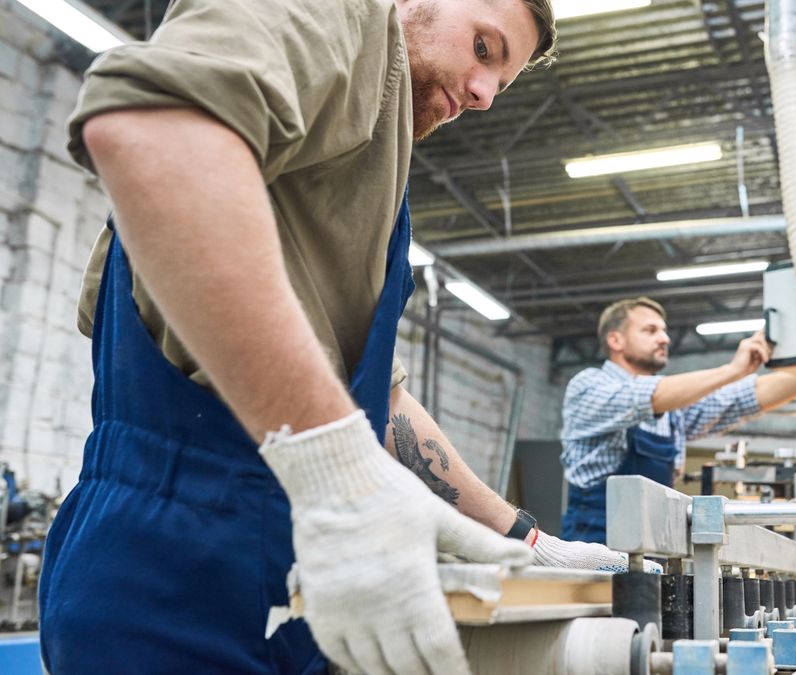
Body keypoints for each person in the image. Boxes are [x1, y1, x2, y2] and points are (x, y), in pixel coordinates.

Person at [38, 1, 634, 673]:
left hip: (287, 574)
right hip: (174, 566)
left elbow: (377, 407)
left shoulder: (364, 150)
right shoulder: (338, 15)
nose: (484, 95)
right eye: (484, 49)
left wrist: (525, 537)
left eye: (502, 82)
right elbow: (153, 128)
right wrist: (335, 467)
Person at [560, 297, 796, 543]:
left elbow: (742, 398)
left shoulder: (673, 410)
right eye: (650, 330)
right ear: (615, 340)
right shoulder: (589, 386)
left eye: (664, 331)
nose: (664, 338)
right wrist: (732, 371)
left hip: (654, 553)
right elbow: (647, 397)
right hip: (594, 554)